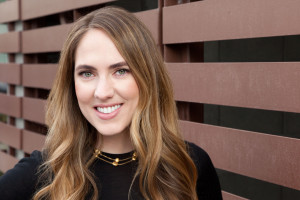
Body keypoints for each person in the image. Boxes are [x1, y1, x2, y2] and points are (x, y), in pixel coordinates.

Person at [0, 7, 222, 200]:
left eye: (121, 71)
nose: (103, 92)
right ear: (71, 84)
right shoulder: (43, 174)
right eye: (87, 73)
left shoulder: (189, 166)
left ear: (148, 77)